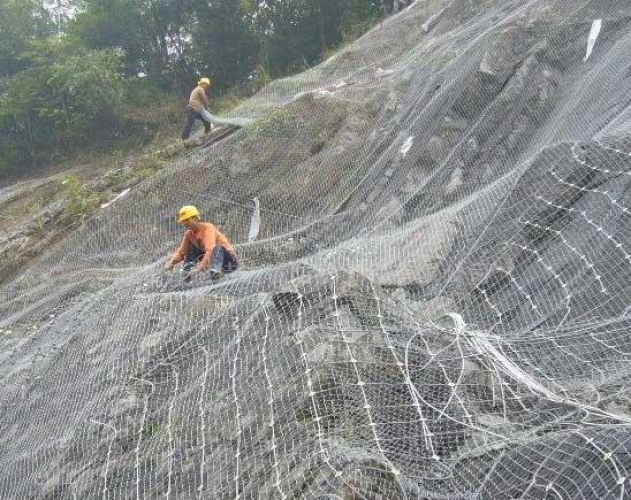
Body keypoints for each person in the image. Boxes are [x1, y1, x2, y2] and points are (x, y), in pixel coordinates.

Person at [164, 205, 238, 280]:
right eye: (183, 221)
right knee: (190, 249)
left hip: (229, 263)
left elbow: (210, 249)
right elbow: (181, 253)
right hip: (212, 262)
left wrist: (200, 267)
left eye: (187, 219)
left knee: (216, 248)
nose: (185, 223)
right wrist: (171, 262)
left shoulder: (208, 227)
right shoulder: (189, 234)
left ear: (196, 218)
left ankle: (215, 274)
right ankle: (186, 275)